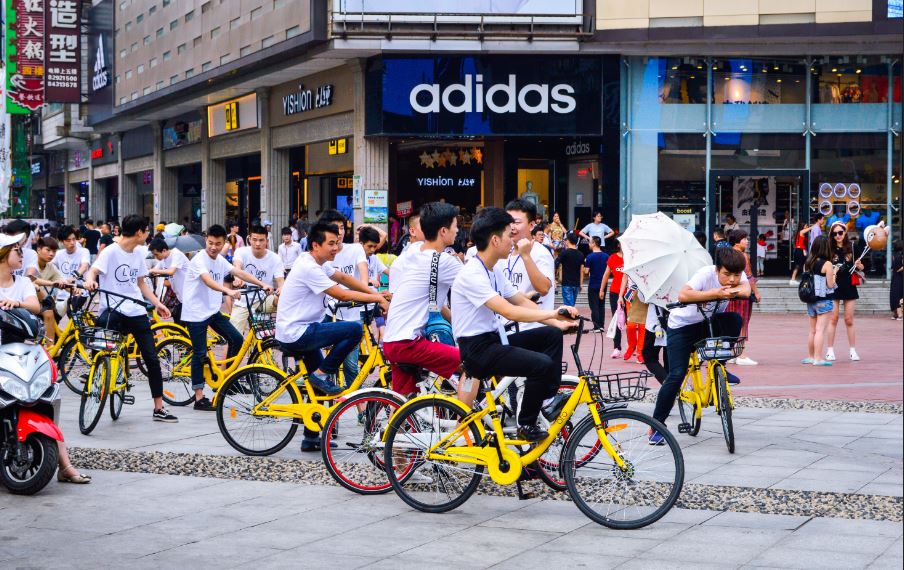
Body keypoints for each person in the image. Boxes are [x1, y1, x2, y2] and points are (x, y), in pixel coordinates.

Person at [450, 207, 578, 441]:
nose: (514, 240)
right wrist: (552, 313)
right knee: (540, 364)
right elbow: (510, 311)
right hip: (477, 349)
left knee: (550, 335)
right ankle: (526, 424)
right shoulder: (472, 274)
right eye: (510, 234)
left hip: (492, 339)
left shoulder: (492, 269)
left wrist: (556, 322)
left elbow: (518, 299)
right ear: (495, 239)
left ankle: (547, 400)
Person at [276, 222, 389, 451]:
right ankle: (321, 374)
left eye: (337, 243)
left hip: (302, 329)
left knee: (318, 389)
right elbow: (342, 293)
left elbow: (345, 279)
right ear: (315, 245)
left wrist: (374, 292)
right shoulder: (309, 267)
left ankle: (310, 438)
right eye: (331, 244)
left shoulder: (319, 263)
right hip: (297, 332)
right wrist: (376, 299)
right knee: (354, 329)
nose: (336, 248)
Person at [0, 234, 91, 484]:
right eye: (15, 250)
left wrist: (15, 302)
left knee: (47, 399)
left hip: (23, 349)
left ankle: (65, 465)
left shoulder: (23, 283)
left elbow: (35, 307)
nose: (21, 253)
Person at [83, 215, 178, 423]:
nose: (148, 235)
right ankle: (95, 375)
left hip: (136, 311)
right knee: (100, 340)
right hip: (114, 310)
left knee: (152, 359)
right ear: (139, 232)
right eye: (147, 231)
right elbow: (93, 271)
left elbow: (141, 283)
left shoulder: (138, 254)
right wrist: (90, 281)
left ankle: (159, 407)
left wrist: (157, 303)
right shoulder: (110, 252)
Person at [652, 248, 750, 443]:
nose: (732, 279)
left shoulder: (738, 275)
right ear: (717, 270)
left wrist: (728, 292)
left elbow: (746, 291)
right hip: (682, 327)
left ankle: (721, 365)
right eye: (726, 274)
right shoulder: (705, 274)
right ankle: (656, 426)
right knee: (676, 375)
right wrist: (713, 293)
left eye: (736, 275)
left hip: (707, 322)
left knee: (734, 319)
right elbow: (683, 295)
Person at [182, 225, 273, 411]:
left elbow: (239, 273)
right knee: (200, 354)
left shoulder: (220, 260)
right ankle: (199, 397)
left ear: (224, 243)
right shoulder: (200, 259)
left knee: (237, 339)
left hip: (212, 311)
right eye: (210, 243)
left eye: (218, 244)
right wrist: (228, 291)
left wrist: (261, 283)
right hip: (196, 313)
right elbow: (208, 280)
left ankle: (227, 378)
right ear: (206, 240)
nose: (213, 247)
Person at [383, 202, 463, 397]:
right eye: (455, 226)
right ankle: (466, 422)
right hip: (408, 343)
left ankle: (398, 426)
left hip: (393, 340)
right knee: (473, 363)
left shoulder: (413, 252)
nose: (458, 230)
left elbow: (435, 302)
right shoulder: (444, 261)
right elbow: (480, 288)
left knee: (404, 404)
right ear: (443, 231)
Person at [318, 210, 373, 385]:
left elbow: (362, 273)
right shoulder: (322, 256)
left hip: (351, 312)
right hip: (327, 312)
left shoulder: (355, 248)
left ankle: (361, 411)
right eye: (335, 228)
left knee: (350, 366)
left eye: (342, 228)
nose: (340, 232)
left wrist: (366, 293)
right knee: (321, 365)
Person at [498, 199, 557, 330]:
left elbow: (544, 288)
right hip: (506, 328)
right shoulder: (504, 252)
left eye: (517, 222)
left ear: (531, 225)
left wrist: (526, 256)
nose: (511, 227)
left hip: (531, 329)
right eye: (508, 221)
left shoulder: (540, 252)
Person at [230, 225, 284, 336]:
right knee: (233, 338)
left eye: (261, 240)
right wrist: (237, 278)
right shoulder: (241, 252)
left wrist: (281, 288)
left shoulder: (275, 258)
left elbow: (280, 281)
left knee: (281, 300)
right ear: (249, 239)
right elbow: (237, 267)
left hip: (264, 299)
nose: (257, 244)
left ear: (267, 241)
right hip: (243, 301)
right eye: (254, 240)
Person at [825, 221, 862, 362]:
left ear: (845, 232)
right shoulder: (829, 248)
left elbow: (863, 267)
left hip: (849, 285)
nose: (837, 235)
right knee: (833, 319)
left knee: (849, 319)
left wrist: (859, 265)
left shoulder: (853, 247)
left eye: (840, 232)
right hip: (833, 286)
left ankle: (852, 350)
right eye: (834, 233)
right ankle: (830, 350)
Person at [725, 230, 760, 366]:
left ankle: (733, 353)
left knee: (733, 322)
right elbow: (749, 276)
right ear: (737, 241)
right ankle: (742, 355)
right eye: (744, 239)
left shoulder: (727, 254)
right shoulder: (743, 256)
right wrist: (756, 292)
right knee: (743, 322)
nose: (747, 241)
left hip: (730, 293)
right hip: (743, 293)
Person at [803, 235, 839, 366]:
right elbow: (830, 285)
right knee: (820, 330)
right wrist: (835, 272)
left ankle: (811, 356)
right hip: (823, 300)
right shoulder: (827, 264)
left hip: (810, 300)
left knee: (812, 330)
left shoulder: (808, 262)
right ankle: (818, 358)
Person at [148, 239, 189, 324]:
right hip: (181, 297)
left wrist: (153, 271)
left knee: (183, 324)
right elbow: (154, 270)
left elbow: (171, 271)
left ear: (164, 250)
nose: (155, 257)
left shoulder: (176, 254)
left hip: (190, 295)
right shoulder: (163, 259)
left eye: (156, 254)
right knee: (179, 322)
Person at [600, 240, 625, 358]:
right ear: (619, 244)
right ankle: (617, 347)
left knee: (632, 322)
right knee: (617, 319)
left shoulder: (633, 257)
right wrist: (601, 289)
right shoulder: (613, 257)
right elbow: (606, 274)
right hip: (615, 292)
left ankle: (633, 347)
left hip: (630, 293)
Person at [620, 277, 648, 363]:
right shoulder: (629, 263)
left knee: (643, 326)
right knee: (631, 325)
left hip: (645, 295)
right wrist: (620, 296)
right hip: (631, 295)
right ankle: (631, 346)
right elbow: (624, 279)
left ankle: (640, 352)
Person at [583, 236, 608, 331]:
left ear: (593, 243)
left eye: (590, 242)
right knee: (601, 305)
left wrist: (584, 265)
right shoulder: (606, 256)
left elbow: (586, 271)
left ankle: (596, 326)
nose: (589, 244)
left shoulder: (590, 257)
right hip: (603, 284)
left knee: (594, 305)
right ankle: (601, 325)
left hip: (593, 284)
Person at [557, 233, 584, 307]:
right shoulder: (581, 254)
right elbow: (582, 270)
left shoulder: (564, 253)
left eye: (566, 240)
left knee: (569, 307)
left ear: (568, 241)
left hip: (566, 283)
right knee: (572, 305)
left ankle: (571, 318)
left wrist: (557, 278)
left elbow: (556, 264)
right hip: (576, 284)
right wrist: (581, 284)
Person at [789, 220, 810, 286]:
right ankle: (793, 279)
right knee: (798, 265)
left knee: (802, 265)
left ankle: (801, 279)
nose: (807, 226)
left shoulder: (799, 233)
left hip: (799, 250)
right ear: (802, 226)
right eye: (806, 225)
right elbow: (808, 229)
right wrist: (814, 226)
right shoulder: (801, 232)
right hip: (799, 251)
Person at [890, 242, 903, 320]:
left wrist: (896, 270)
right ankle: (898, 314)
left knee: (894, 294)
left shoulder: (894, 255)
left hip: (896, 277)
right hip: (899, 276)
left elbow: (892, 268)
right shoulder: (900, 255)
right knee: (898, 294)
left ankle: (898, 314)